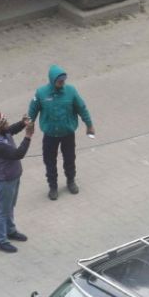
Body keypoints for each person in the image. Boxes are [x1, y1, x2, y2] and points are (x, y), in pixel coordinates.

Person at [28, 65, 94, 201]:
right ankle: (53, 187)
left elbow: (82, 108)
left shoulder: (71, 91)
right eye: (60, 81)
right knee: (49, 162)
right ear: (52, 80)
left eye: (64, 80)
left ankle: (71, 181)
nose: (62, 83)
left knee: (70, 159)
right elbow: (32, 110)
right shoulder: (41, 93)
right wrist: (30, 123)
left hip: (67, 134)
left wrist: (89, 125)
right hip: (50, 135)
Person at [0, 111, 33, 253]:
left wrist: (22, 123)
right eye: (5, 123)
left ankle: (10, 231)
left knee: (10, 206)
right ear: (0, 127)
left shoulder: (1, 132)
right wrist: (28, 136)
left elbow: (11, 130)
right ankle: (0, 241)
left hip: (13, 177)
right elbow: (18, 154)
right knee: (2, 210)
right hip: (4, 181)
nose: (7, 124)